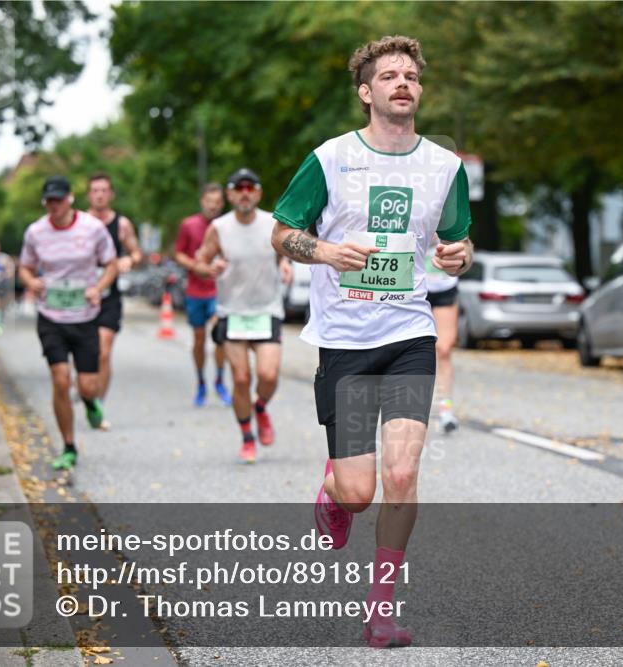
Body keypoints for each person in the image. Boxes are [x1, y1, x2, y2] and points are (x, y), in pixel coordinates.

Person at [271, 35, 473, 648]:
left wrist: (458, 256)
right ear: (366, 92)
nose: (402, 83)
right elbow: (282, 234)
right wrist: (327, 250)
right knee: (359, 493)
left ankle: (380, 610)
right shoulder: (331, 159)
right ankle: (333, 488)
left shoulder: (445, 167)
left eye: (410, 75)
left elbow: (458, 247)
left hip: (410, 331)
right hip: (346, 340)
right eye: (388, 76)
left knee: (403, 474)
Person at [18, 176, 118, 470]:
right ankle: (69, 446)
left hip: (85, 316)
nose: (54, 206)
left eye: (59, 200)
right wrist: (31, 281)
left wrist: (97, 288)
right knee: (61, 379)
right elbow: (24, 266)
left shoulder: (93, 229)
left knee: (87, 385)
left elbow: (111, 264)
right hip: (51, 315)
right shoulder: (36, 232)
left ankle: (89, 402)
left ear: (70, 199)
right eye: (49, 201)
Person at [194, 168, 292, 463]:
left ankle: (260, 407)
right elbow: (201, 260)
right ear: (230, 195)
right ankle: (247, 436)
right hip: (232, 312)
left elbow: (283, 252)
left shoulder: (272, 223)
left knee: (268, 375)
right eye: (239, 188)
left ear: (258, 193)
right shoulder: (219, 228)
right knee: (240, 378)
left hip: (267, 309)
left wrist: (285, 264)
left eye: (251, 187)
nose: (245, 193)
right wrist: (208, 269)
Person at [86, 172, 143, 428]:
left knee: (104, 352)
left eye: (104, 190)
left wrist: (129, 260)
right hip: (83, 295)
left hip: (110, 296)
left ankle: (98, 405)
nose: (99, 194)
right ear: (89, 195)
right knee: (85, 353)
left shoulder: (122, 224)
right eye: (95, 190)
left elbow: (136, 252)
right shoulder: (80, 222)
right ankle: (87, 389)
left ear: (111, 195)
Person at [175, 184, 231, 407]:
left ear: (222, 204)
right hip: (196, 291)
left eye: (217, 202)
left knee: (220, 336)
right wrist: (195, 266)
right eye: (209, 202)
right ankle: (200, 382)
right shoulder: (189, 225)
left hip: (220, 291)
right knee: (199, 340)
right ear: (202, 202)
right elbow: (178, 253)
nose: (213, 206)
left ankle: (219, 380)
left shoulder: (228, 226)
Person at [425, 234, 460, 432]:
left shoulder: (451, 209)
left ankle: (446, 409)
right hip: (412, 286)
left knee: (444, 349)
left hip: (445, 286)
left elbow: (465, 244)